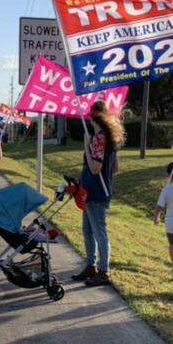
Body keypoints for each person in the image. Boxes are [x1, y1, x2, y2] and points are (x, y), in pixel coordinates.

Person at [71, 100, 126, 287]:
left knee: (98, 232)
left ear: (93, 118)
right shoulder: (110, 138)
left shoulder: (99, 139)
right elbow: (115, 168)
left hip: (95, 191)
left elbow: (95, 168)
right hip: (96, 190)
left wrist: (87, 146)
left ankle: (103, 271)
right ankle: (91, 265)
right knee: (87, 230)